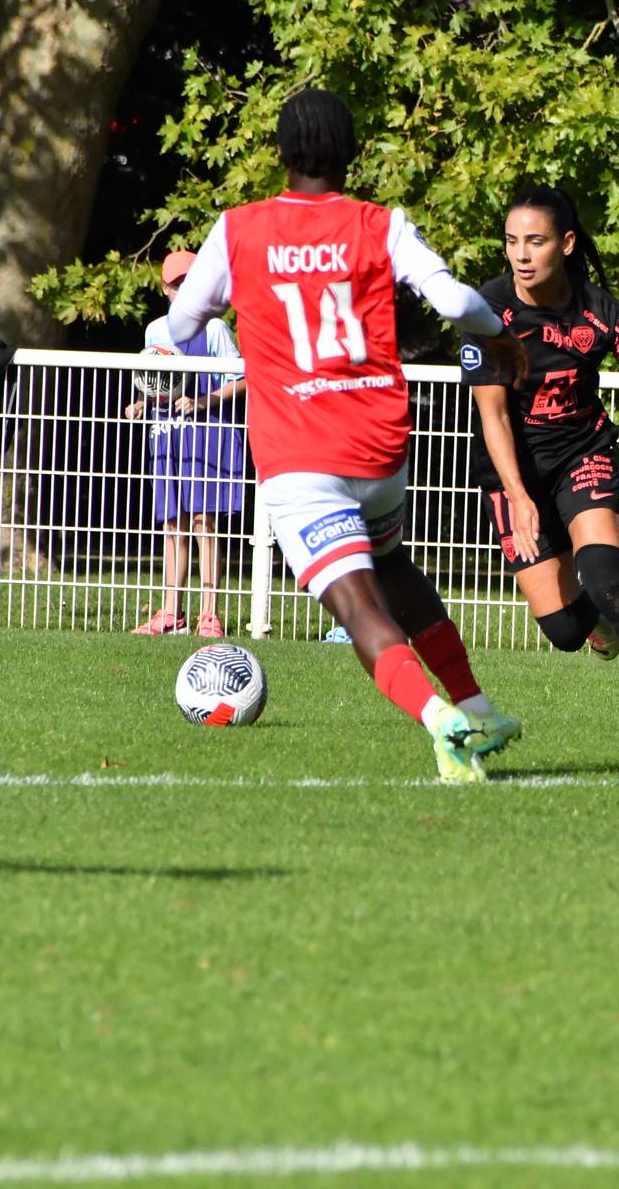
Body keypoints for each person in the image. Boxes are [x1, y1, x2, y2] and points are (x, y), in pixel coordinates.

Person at [166, 87, 518, 784]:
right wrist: (502, 335)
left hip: (300, 456)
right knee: (390, 568)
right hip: (379, 446)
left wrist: (238, 316)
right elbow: (454, 301)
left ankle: (440, 721)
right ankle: (478, 706)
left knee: (357, 605)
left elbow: (181, 327)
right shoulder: (380, 224)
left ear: (280, 152)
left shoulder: (238, 229)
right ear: (352, 152)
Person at [461, 186, 619, 739]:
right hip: (511, 474)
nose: (521, 254)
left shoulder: (602, 311)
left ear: (567, 243)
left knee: (605, 580)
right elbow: (492, 416)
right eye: (512, 242)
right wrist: (518, 496)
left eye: (536, 241)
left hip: (583, 454)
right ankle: (599, 624)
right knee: (565, 632)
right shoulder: (488, 311)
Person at [125, 250, 248, 639]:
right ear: (165, 288)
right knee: (172, 523)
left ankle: (209, 614)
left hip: (206, 435)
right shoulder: (154, 331)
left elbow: (243, 378)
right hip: (167, 435)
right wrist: (141, 404)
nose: (185, 289)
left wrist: (204, 402)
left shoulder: (215, 329)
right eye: (177, 283)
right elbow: (153, 383)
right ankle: (170, 612)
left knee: (203, 523)